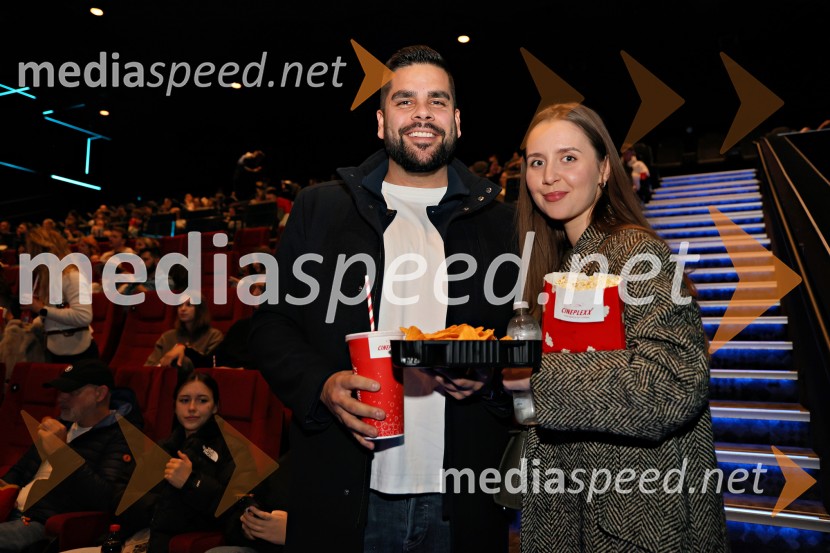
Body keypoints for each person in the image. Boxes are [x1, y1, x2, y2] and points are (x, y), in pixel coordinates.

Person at [249, 44, 517, 553]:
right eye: (405, 101)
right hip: (346, 492)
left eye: (437, 102)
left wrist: (489, 380)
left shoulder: (502, 224)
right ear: (380, 121)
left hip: (461, 499)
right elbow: (270, 325)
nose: (422, 113)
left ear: (457, 121)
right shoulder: (321, 209)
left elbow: (523, 349)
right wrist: (321, 385)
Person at [503, 102, 729, 551]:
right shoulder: (560, 262)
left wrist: (538, 379)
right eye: (537, 161)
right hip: (576, 509)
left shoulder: (634, 252)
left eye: (569, 157)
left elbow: (673, 383)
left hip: (638, 522)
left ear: (604, 168)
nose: (549, 176)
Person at [0, 358, 139, 552]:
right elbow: (17, 472)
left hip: (41, 523)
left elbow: (104, 499)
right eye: (61, 391)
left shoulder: (122, 437)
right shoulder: (61, 425)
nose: (61, 398)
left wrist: (61, 452)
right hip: (8, 512)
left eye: (73, 392)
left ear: (100, 394)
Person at [147, 372, 234, 553]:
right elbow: (125, 494)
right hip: (143, 536)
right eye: (184, 400)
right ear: (174, 407)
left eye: (202, 401)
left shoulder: (231, 449)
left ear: (215, 407)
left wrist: (191, 481)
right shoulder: (163, 446)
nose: (192, 408)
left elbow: (232, 509)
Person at [24, 227, 98, 363]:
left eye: (31, 251)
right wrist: (36, 321)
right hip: (56, 349)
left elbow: (83, 317)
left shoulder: (72, 276)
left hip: (78, 354)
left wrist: (41, 310)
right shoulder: (47, 279)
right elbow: (55, 314)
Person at [145, 295, 224, 373]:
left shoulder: (214, 336)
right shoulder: (167, 337)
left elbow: (211, 366)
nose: (182, 309)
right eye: (180, 305)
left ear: (200, 310)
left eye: (189, 305)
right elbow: (149, 366)